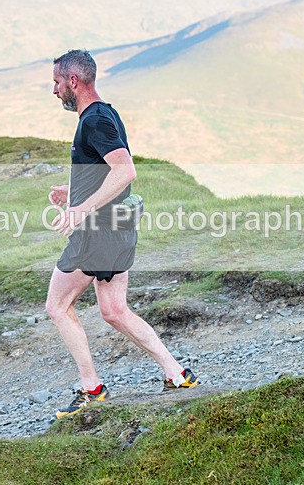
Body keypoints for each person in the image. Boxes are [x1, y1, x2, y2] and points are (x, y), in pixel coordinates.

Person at [46, 49, 198, 419]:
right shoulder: (103, 114)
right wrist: (74, 194)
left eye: (56, 82)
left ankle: (92, 388)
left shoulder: (94, 121)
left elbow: (125, 171)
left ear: (73, 82)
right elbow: (108, 171)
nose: (54, 91)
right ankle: (178, 375)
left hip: (98, 232)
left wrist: (82, 208)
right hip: (116, 227)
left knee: (57, 305)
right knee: (114, 310)